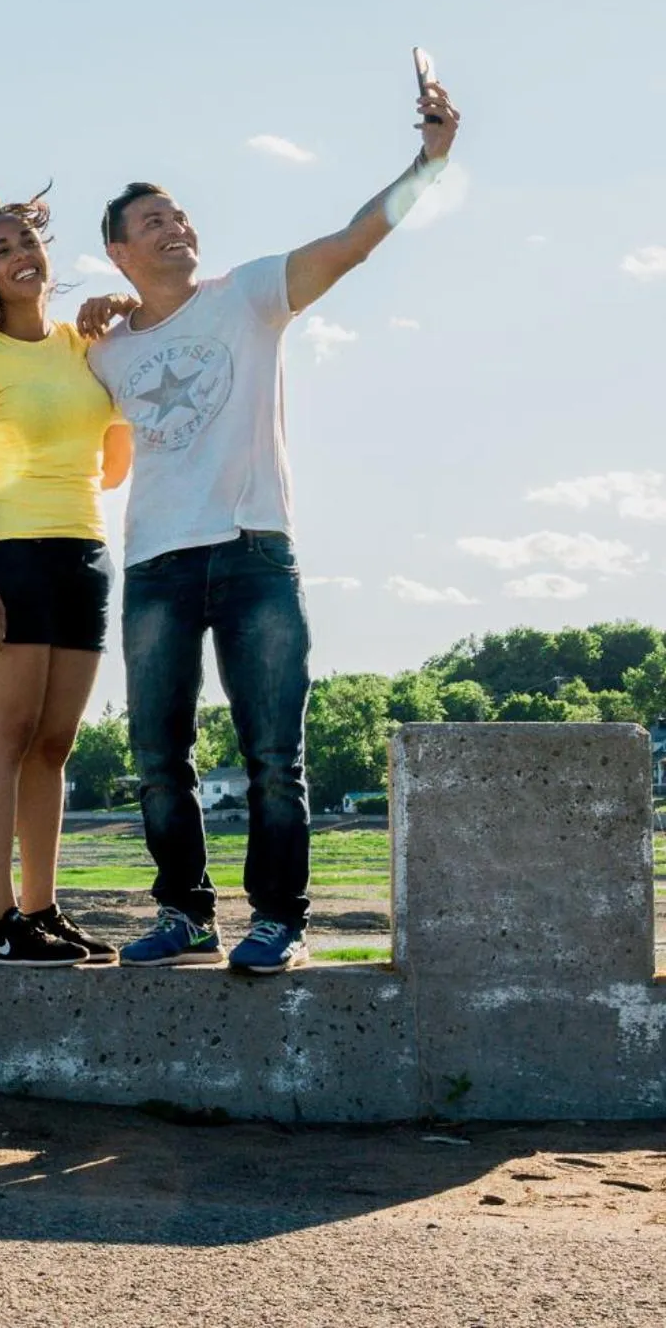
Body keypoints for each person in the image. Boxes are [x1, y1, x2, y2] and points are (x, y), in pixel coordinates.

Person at [85, 75, 463, 974]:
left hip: (256, 552)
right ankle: (184, 912)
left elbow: (353, 243)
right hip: (156, 567)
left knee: (271, 756)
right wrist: (82, 318)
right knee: (154, 759)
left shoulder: (249, 294)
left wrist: (429, 162)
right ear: (119, 250)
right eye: (154, 222)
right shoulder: (102, 349)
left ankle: (278, 920)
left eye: (181, 215)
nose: (177, 226)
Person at [0, 191, 134, 966]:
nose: (21, 255)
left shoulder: (86, 347)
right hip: (8, 558)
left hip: (84, 554)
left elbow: (115, 465)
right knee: (4, 739)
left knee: (54, 744)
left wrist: (120, 329)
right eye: (0, 249)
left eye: (26, 241)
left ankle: (41, 909)